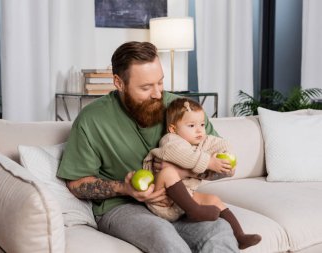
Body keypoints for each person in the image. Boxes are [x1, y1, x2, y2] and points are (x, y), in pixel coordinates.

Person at [57, 41, 240, 253]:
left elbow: (221, 165)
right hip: (123, 207)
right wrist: (124, 188)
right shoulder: (92, 119)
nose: (157, 94)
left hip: (181, 203)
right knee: (165, 238)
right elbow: (77, 183)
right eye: (146, 87)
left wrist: (182, 170)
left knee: (219, 232)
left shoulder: (182, 111)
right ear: (119, 82)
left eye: (160, 83)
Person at [143, 98, 262, 250]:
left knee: (213, 199)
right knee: (168, 172)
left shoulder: (199, 141)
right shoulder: (170, 142)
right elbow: (185, 156)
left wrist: (226, 155)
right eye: (191, 126)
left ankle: (239, 236)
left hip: (184, 200)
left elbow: (219, 143)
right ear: (173, 129)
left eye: (202, 124)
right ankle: (195, 212)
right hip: (162, 199)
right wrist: (209, 162)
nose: (199, 130)